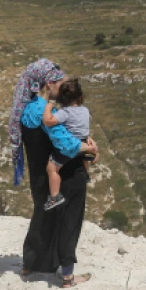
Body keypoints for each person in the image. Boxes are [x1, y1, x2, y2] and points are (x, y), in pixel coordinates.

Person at [10, 59, 98, 288]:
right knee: (69, 224)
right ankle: (68, 277)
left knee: (43, 217)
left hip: (41, 176)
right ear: (49, 84)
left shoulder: (27, 108)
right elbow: (67, 144)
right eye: (62, 83)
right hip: (67, 175)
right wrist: (88, 147)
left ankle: (30, 264)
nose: (65, 87)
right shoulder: (46, 112)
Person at [42, 78, 93, 210]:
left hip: (70, 146)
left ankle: (55, 196)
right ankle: (86, 175)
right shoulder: (85, 110)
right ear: (80, 97)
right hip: (83, 142)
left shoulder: (65, 113)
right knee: (83, 159)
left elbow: (48, 121)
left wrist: (49, 106)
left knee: (52, 168)